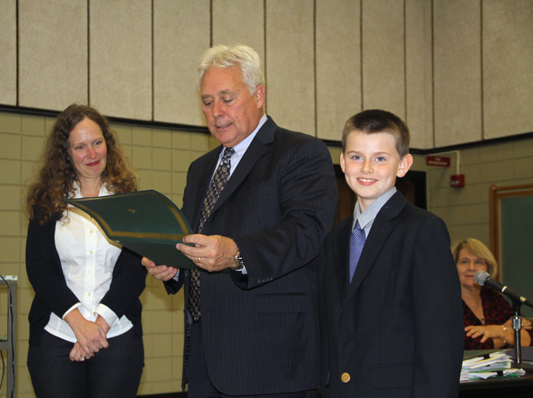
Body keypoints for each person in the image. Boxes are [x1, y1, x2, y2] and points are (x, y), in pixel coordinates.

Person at [142, 44, 337, 397]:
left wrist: (236, 254)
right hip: (205, 358)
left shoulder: (300, 152)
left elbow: (306, 232)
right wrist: (173, 267)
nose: (216, 112)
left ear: (258, 95)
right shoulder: (200, 169)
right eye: (207, 102)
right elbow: (194, 242)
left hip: (272, 361)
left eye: (227, 99)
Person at [322, 109, 464, 398]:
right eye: (357, 157)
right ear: (343, 162)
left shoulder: (423, 230)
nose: (366, 169)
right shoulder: (334, 239)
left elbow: (439, 338)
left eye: (380, 158)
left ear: (403, 165)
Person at [25, 104, 146, 398]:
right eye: (80, 147)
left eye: (97, 142)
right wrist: (79, 324)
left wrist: (97, 327)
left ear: (108, 144)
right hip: (57, 334)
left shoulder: (129, 202)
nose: (92, 154)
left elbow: (134, 271)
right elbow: (40, 269)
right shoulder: (48, 203)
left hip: (116, 333)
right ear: (65, 154)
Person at [452, 238, 532, 350]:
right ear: (453, 267)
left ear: (488, 269)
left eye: (478, 262)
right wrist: (506, 331)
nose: (471, 268)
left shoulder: (492, 298)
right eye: (464, 262)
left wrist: (498, 330)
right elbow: (469, 345)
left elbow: (529, 336)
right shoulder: (447, 302)